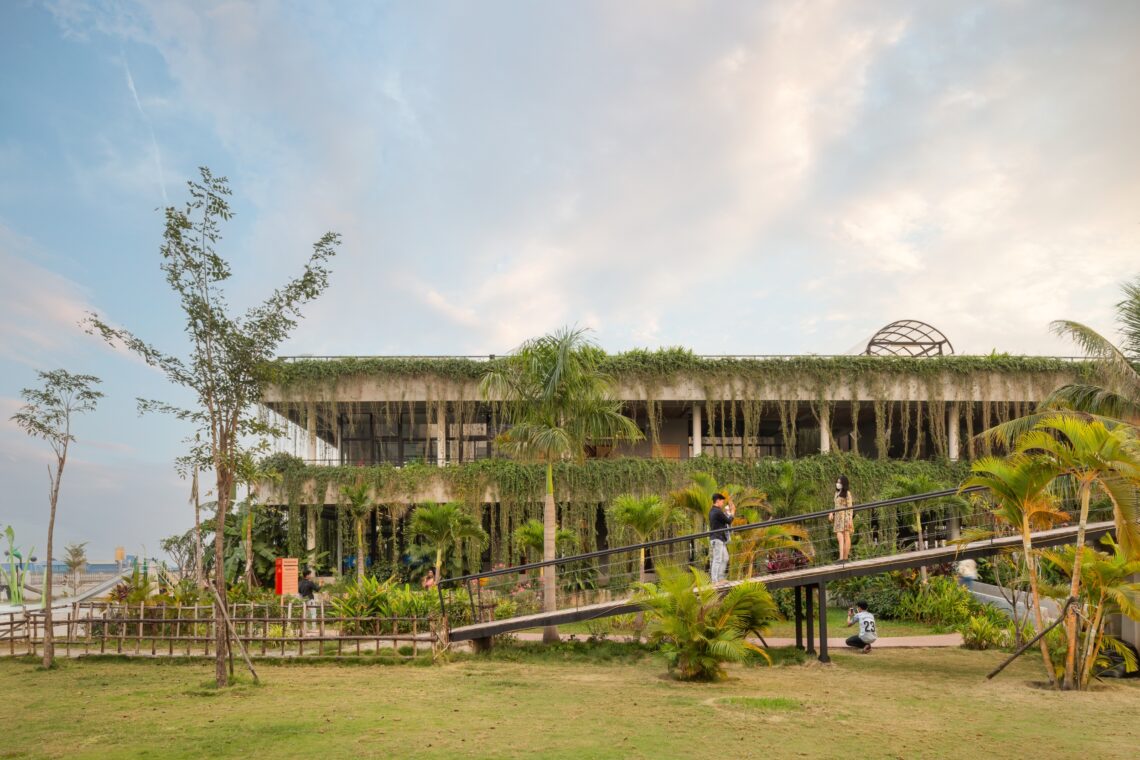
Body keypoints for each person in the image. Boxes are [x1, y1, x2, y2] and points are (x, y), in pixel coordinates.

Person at [708, 493, 734, 583]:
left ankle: (720, 578)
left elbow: (723, 520)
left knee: (725, 558)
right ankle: (714, 581)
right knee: (717, 559)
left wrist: (727, 513)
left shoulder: (714, 511)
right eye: (722, 502)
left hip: (719, 538)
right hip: (717, 538)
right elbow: (729, 521)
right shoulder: (717, 511)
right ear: (718, 501)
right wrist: (732, 512)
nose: (723, 504)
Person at [829, 475, 854, 561]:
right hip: (838, 517)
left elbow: (850, 507)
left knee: (845, 535)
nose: (838, 484)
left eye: (840, 482)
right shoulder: (836, 493)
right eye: (837, 482)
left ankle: (844, 558)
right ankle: (842, 558)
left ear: (844, 483)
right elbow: (836, 506)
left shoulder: (847, 493)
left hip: (845, 516)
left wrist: (850, 519)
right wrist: (832, 513)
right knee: (839, 536)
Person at [298, 569, 320, 633]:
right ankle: (314, 629)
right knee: (313, 614)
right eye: (309, 574)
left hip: (304, 600)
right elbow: (317, 589)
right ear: (307, 575)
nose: (310, 575)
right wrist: (321, 584)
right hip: (310, 600)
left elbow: (299, 592)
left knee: (305, 615)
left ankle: (305, 628)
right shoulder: (310, 583)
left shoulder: (300, 583)